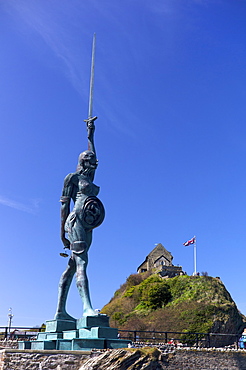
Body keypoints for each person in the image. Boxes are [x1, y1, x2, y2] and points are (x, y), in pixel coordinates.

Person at [54, 117, 105, 320]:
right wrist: (61, 234)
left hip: (89, 224)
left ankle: (60, 311)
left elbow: (94, 154)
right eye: (91, 160)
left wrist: (90, 134)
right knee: (82, 262)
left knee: (73, 265)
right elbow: (63, 206)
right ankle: (86, 308)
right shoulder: (72, 178)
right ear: (83, 161)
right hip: (75, 221)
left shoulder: (89, 178)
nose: (96, 162)